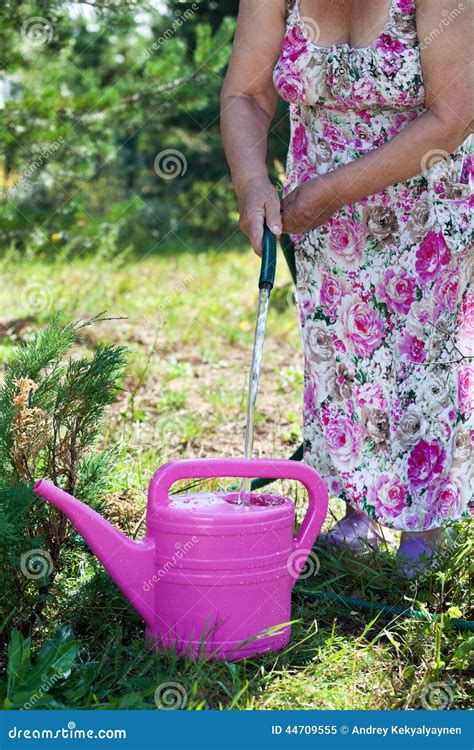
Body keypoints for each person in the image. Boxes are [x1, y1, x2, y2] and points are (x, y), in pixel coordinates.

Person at [221, 0, 473, 575]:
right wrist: (252, 181)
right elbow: (247, 94)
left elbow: (453, 115)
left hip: (424, 204)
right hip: (322, 219)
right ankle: (362, 506)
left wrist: (332, 191)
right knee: (342, 357)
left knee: (423, 364)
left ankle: (425, 526)